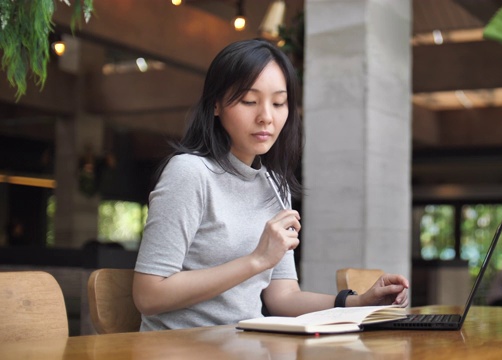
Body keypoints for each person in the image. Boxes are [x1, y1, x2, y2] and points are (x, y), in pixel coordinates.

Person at [132, 39, 409, 331]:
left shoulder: (275, 186)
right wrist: (256, 261)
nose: (266, 116)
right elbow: (148, 294)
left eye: (279, 103)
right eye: (249, 101)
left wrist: (359, 302)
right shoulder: (190, 173)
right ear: (215, 104)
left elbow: (283, 296)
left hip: (245, 346)